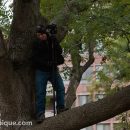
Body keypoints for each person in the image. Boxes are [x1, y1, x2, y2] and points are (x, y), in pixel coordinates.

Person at [32, 25, 67, 123]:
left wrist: (54, 40)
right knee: (40, 92)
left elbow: (59, 51)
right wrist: (46, 63)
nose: (41, 36)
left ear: (46, 33)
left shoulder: (52, 41)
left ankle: (60, 108)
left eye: (42, 34)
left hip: (53, 70)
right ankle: (40, 114)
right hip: (41, 71)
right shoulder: (36, 43)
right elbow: (35, 59)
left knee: (60, 88)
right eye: (39, 35)